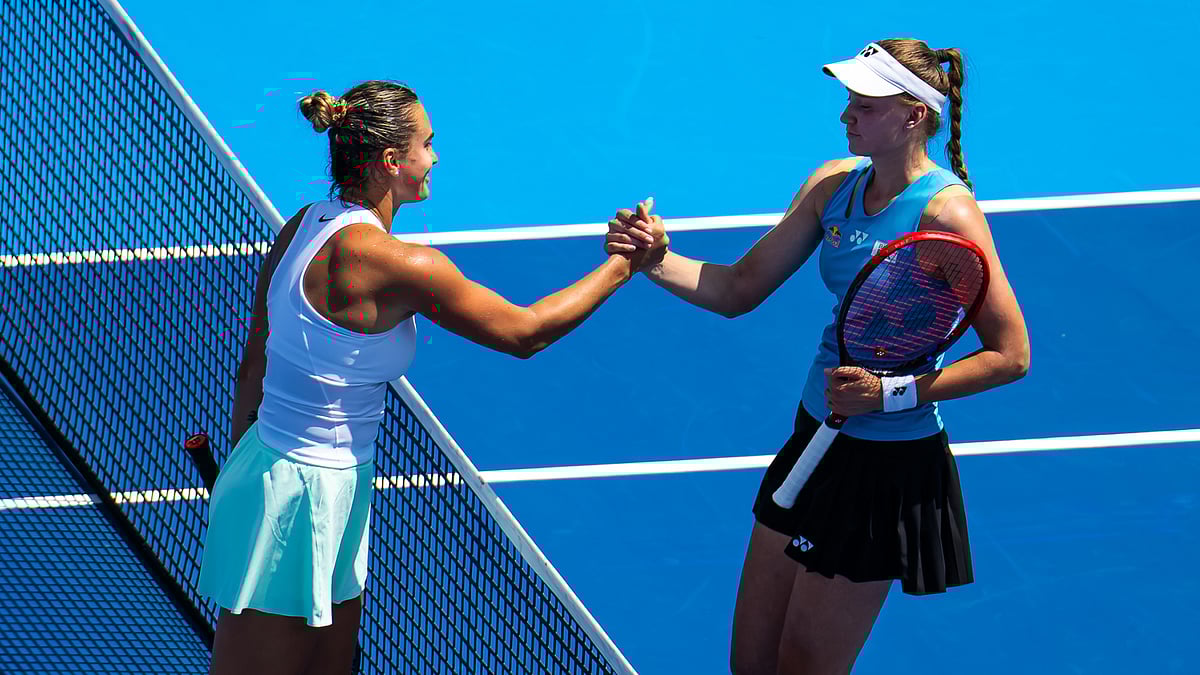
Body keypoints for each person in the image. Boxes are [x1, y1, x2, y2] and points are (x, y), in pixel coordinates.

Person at [196, 80, 667, 675]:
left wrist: (243, 471)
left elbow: (253, 363)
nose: (436, 156)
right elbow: (524, 332)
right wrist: (625, 264)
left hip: (290, 475)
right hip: (301, 495)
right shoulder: (402, 265)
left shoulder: (302, 225)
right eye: (427, 143)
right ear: (393, 162)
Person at [606, 39, 1031, 674]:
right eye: (849, 102)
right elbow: (738, 288)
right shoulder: (831, 185)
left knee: (806, 666)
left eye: (865, 105)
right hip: (813, 437)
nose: (846, 116)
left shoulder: (948, 216)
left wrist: (892, 393)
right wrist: (654, 260)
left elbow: (1011, 354)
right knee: (750, 662)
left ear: (914, 115)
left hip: (887, 467)